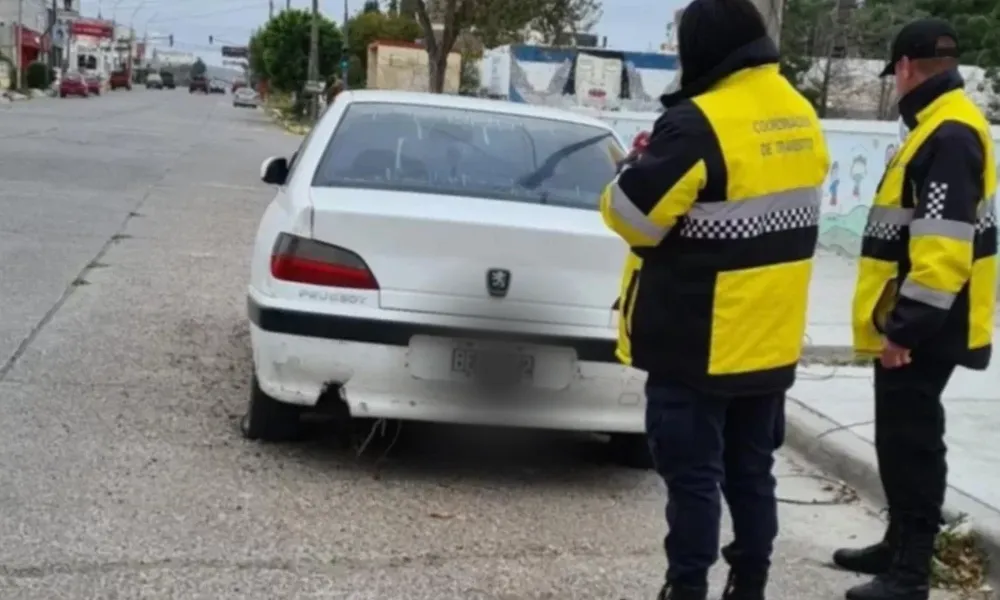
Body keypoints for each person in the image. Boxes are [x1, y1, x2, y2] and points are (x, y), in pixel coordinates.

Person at [598, 0, 829, 598]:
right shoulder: (801, 114)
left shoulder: (699, 123)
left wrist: (637, 164)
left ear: (700, 48)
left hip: (697, 339)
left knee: (693, 478)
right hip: (770, 339)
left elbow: (632, 218)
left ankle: (686, 587)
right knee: (752, 473)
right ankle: (748, 583)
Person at [835, 18, 997, 600]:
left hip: (928, 321)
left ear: (905, 68)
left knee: (913, 441)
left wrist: (905, 328)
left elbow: (942, 251)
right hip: (918, 317)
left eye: (895, 75)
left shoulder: (948, 135)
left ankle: (910, 572)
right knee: (899, 437)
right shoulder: (938, 125)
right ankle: (897, 542)